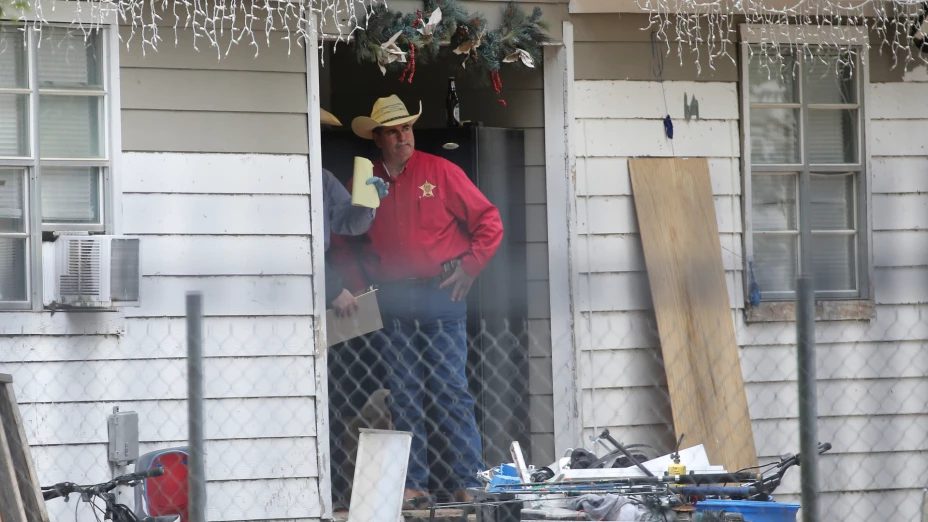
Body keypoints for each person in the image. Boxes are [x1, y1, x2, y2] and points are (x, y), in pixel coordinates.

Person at [345, 95, 504, 507]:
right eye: (393, 131)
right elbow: (346, 240)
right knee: (404, 392)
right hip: (391, 298)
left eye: (407, 128)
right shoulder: (365, 179)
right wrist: (359, 288)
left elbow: (489, 221)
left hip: (441, 293)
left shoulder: (441, 171)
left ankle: (467, 480)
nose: (403, 137)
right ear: (377, 138)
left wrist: (470, 268)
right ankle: (413, 484)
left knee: (451, 388)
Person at [319, 108, 389, 315]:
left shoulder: (323, 178)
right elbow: (295, 246)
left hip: (316, 277)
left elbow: (348, 224)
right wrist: (332, 288)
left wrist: (369, 201)